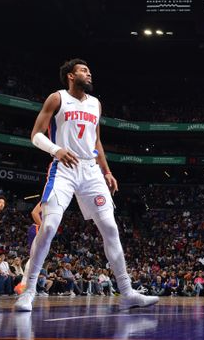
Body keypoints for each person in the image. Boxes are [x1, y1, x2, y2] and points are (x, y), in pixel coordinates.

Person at [14, 59, 157, 312]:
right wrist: (56, 150)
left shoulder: (95, 104)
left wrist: (107, 170)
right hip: (64, 169)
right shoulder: (56, 98)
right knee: (47, 227)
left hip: (91, 172)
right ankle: (29, 290)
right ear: (71, 76)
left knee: (111, 228)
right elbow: (35, 135)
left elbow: (97, 141)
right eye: (83, 70)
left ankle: (127, 293)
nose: (89, 73)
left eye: (89, 70)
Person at [15, 202, 42, 295]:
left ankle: (24, 286)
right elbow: (34, 213)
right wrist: (43, 227)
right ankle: (25, 286)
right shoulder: (47, 199)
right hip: (38, 228)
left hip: (39, 228)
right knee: (35, 258)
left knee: (35, 259)